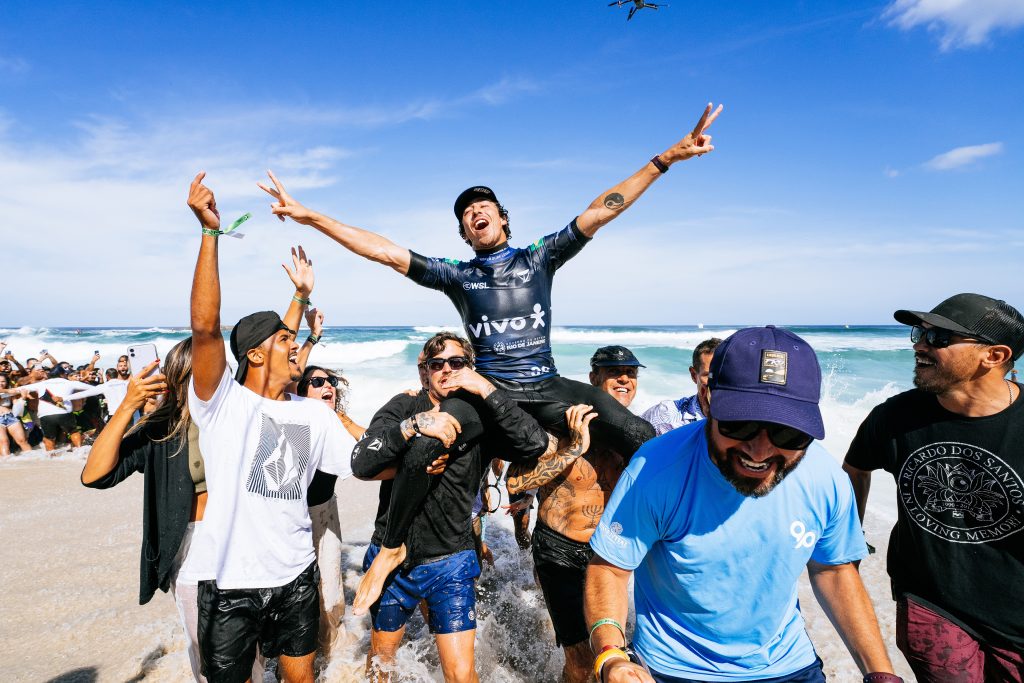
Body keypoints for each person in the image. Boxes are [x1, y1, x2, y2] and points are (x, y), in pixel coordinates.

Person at [258, 103, 722, 595]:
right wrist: (310, 217)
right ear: (463, 232)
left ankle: (677, 529)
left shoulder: (539, 257)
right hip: (487, 391)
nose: (475, 212)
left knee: (637, 431)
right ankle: (393, 545)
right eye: (466, 213)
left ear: (503, 218)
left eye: (484, 207)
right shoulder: (458, 275)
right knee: (427, 442)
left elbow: (602, 209)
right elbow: (383, 250)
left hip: (547, 384)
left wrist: (664, 159)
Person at [585, 326, 903, 683]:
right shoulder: (656, 469)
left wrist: (881, 673)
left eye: (787, 433)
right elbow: (610, 569)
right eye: (740, 425)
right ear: (709, 398)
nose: (760, 451)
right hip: (673, 670)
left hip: (789, 666)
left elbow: (834, 570)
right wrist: (611, 656)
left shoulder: (825, 478)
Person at [186, 172, 352, 683]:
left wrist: (299, 298)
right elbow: (207, 328)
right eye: (286, 340)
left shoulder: (308, 411)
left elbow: (363, 459)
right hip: (232, 584)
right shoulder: (222, 404)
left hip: (297, 575)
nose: (297, 346)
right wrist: (210, 235)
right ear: (256, 354)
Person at [843, 293, 1024, 683]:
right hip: (932, 603)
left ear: (993, 356)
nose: (920, 346)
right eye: (920, 333)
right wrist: (849, 537)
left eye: (939, 337)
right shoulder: (895, 416)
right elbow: (855, 468)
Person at [350, 331, 550, 682]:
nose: (446, 370)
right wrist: (414, 426)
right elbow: (362, 461)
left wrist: (486, 389)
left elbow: (533, 443)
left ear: (469, 368)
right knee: (382, 657)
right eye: (436, 364)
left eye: (456, 363)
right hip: (394, 556)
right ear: (424, 372)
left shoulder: (483, 418)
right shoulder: (404, 405)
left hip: (450, 560)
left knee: (459, 672)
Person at [80, 340, 264, 683]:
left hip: (242, 541)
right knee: (205, 650)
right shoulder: (159, 429)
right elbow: (94, 475)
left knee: (251, 649)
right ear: (182, 376)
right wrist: (127, 406)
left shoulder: (241, 414)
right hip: (190, 548)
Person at [506, 344, 643, 683]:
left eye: (632, 374)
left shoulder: (639, 434)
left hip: (612, 554)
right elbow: (515, 482)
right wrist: (572, 449)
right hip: (560, 550)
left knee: (611, 652)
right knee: (581, 661)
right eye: (614, 373)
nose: (624, 379)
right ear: (593, 378)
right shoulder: (559, 424)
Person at [298, 363, 365, 657]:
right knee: (293, 590)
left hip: (324, 511)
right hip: (290, 515)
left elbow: (373, 448)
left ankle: (331, 649)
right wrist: (311, 338)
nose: (329, 386)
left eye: (332, 381)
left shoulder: (339, 424)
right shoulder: (290, 419)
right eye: (317, 381)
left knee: (330, 587)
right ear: (299, 392)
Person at [641, 337, 722, 435]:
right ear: (693, 375)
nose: (717, 382)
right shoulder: (665, 416)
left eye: (725, 374)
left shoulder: (743, 418)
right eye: (709, 375)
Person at [0, 373, 32, 454]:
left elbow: (16, 405)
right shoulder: (9, 391)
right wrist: (7, 390)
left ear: (7, 382)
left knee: (22, 440)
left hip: (10, 417)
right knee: (4, 442)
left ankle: (34, 461)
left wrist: (23, 397)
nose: (1, 383)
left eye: (3, 381)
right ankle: (7, 465)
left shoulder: (11, 392)